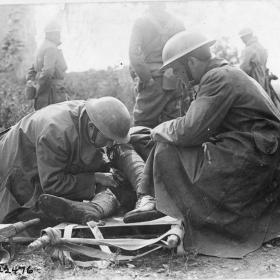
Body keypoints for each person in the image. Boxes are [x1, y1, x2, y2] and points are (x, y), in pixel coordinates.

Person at [124, 31, 280, 258]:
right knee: (167, 143)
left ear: (192, 62)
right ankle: (148, 197)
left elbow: (190, 131)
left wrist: (160, 129)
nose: (178, 77)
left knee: (166, 148)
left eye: (178, 70)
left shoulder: (217, 78)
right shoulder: (226, 74)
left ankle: (148, 198)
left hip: (252, 155)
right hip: (257, 154)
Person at [0, 97, 142, 228]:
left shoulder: (93, 115)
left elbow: (87, 151)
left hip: (43, 148)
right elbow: (53, 183)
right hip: (16, 160)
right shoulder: (56, 132)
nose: (111, 144)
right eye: (108, 138)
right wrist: (96, 178)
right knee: (30, 217)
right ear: (92, 127)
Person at [129, 2, 185, 128]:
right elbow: (185, 50)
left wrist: (146, 79)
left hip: (152, 80)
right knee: (172, 127)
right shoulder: (178, 23)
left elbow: (134, 54)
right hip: (174, 80)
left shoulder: (141, 22)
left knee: (141, 127)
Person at [26, 20, 68, 110]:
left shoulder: (42, 47)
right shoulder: (51, 48)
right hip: (52, 93)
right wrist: (41, 89)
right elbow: (48, 71)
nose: (59, 36)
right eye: (57, 33)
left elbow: (32, 68)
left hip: (46, 91)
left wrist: (31, 81)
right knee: (58, 119)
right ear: (51, 34)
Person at [239, 28, 270, 94]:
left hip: (253, 79)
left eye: (242, 38)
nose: (242, 40)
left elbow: (244, 68)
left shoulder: (248, 50)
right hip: (263, 78)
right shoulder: (261, 47)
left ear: (247, 36)